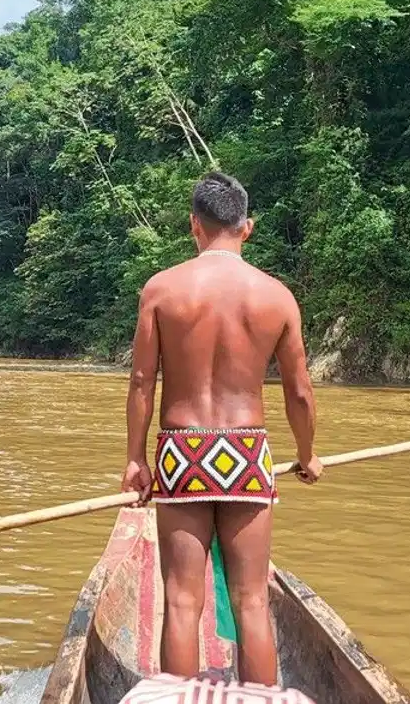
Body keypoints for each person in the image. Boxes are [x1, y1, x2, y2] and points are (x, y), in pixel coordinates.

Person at [121, 171, 322, 688]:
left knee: (182, 599)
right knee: (252, 598)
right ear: (247, 227)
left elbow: (143, 381)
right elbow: (299, 393)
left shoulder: (162, 290)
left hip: (181, 452)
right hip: (247, 453)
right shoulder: (276, 296)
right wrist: (307, 454)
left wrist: (135, 459)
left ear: (194, 225)